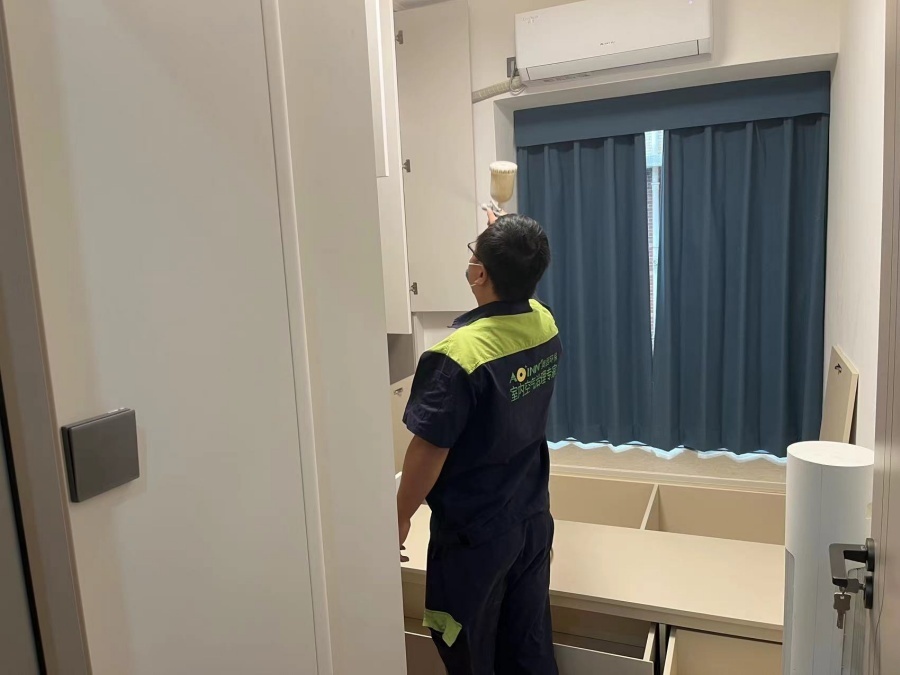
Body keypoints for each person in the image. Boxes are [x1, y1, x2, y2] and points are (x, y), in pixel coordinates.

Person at [396, 208, 561, 674]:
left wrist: (400, 515)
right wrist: (506, 239)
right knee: (526, 643)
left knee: (467, 647)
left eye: (475, 254)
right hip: (531, 516)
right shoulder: (543, 323)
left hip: (475, 537)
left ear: (480, 273)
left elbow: (428, 449)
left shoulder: (456, 355)